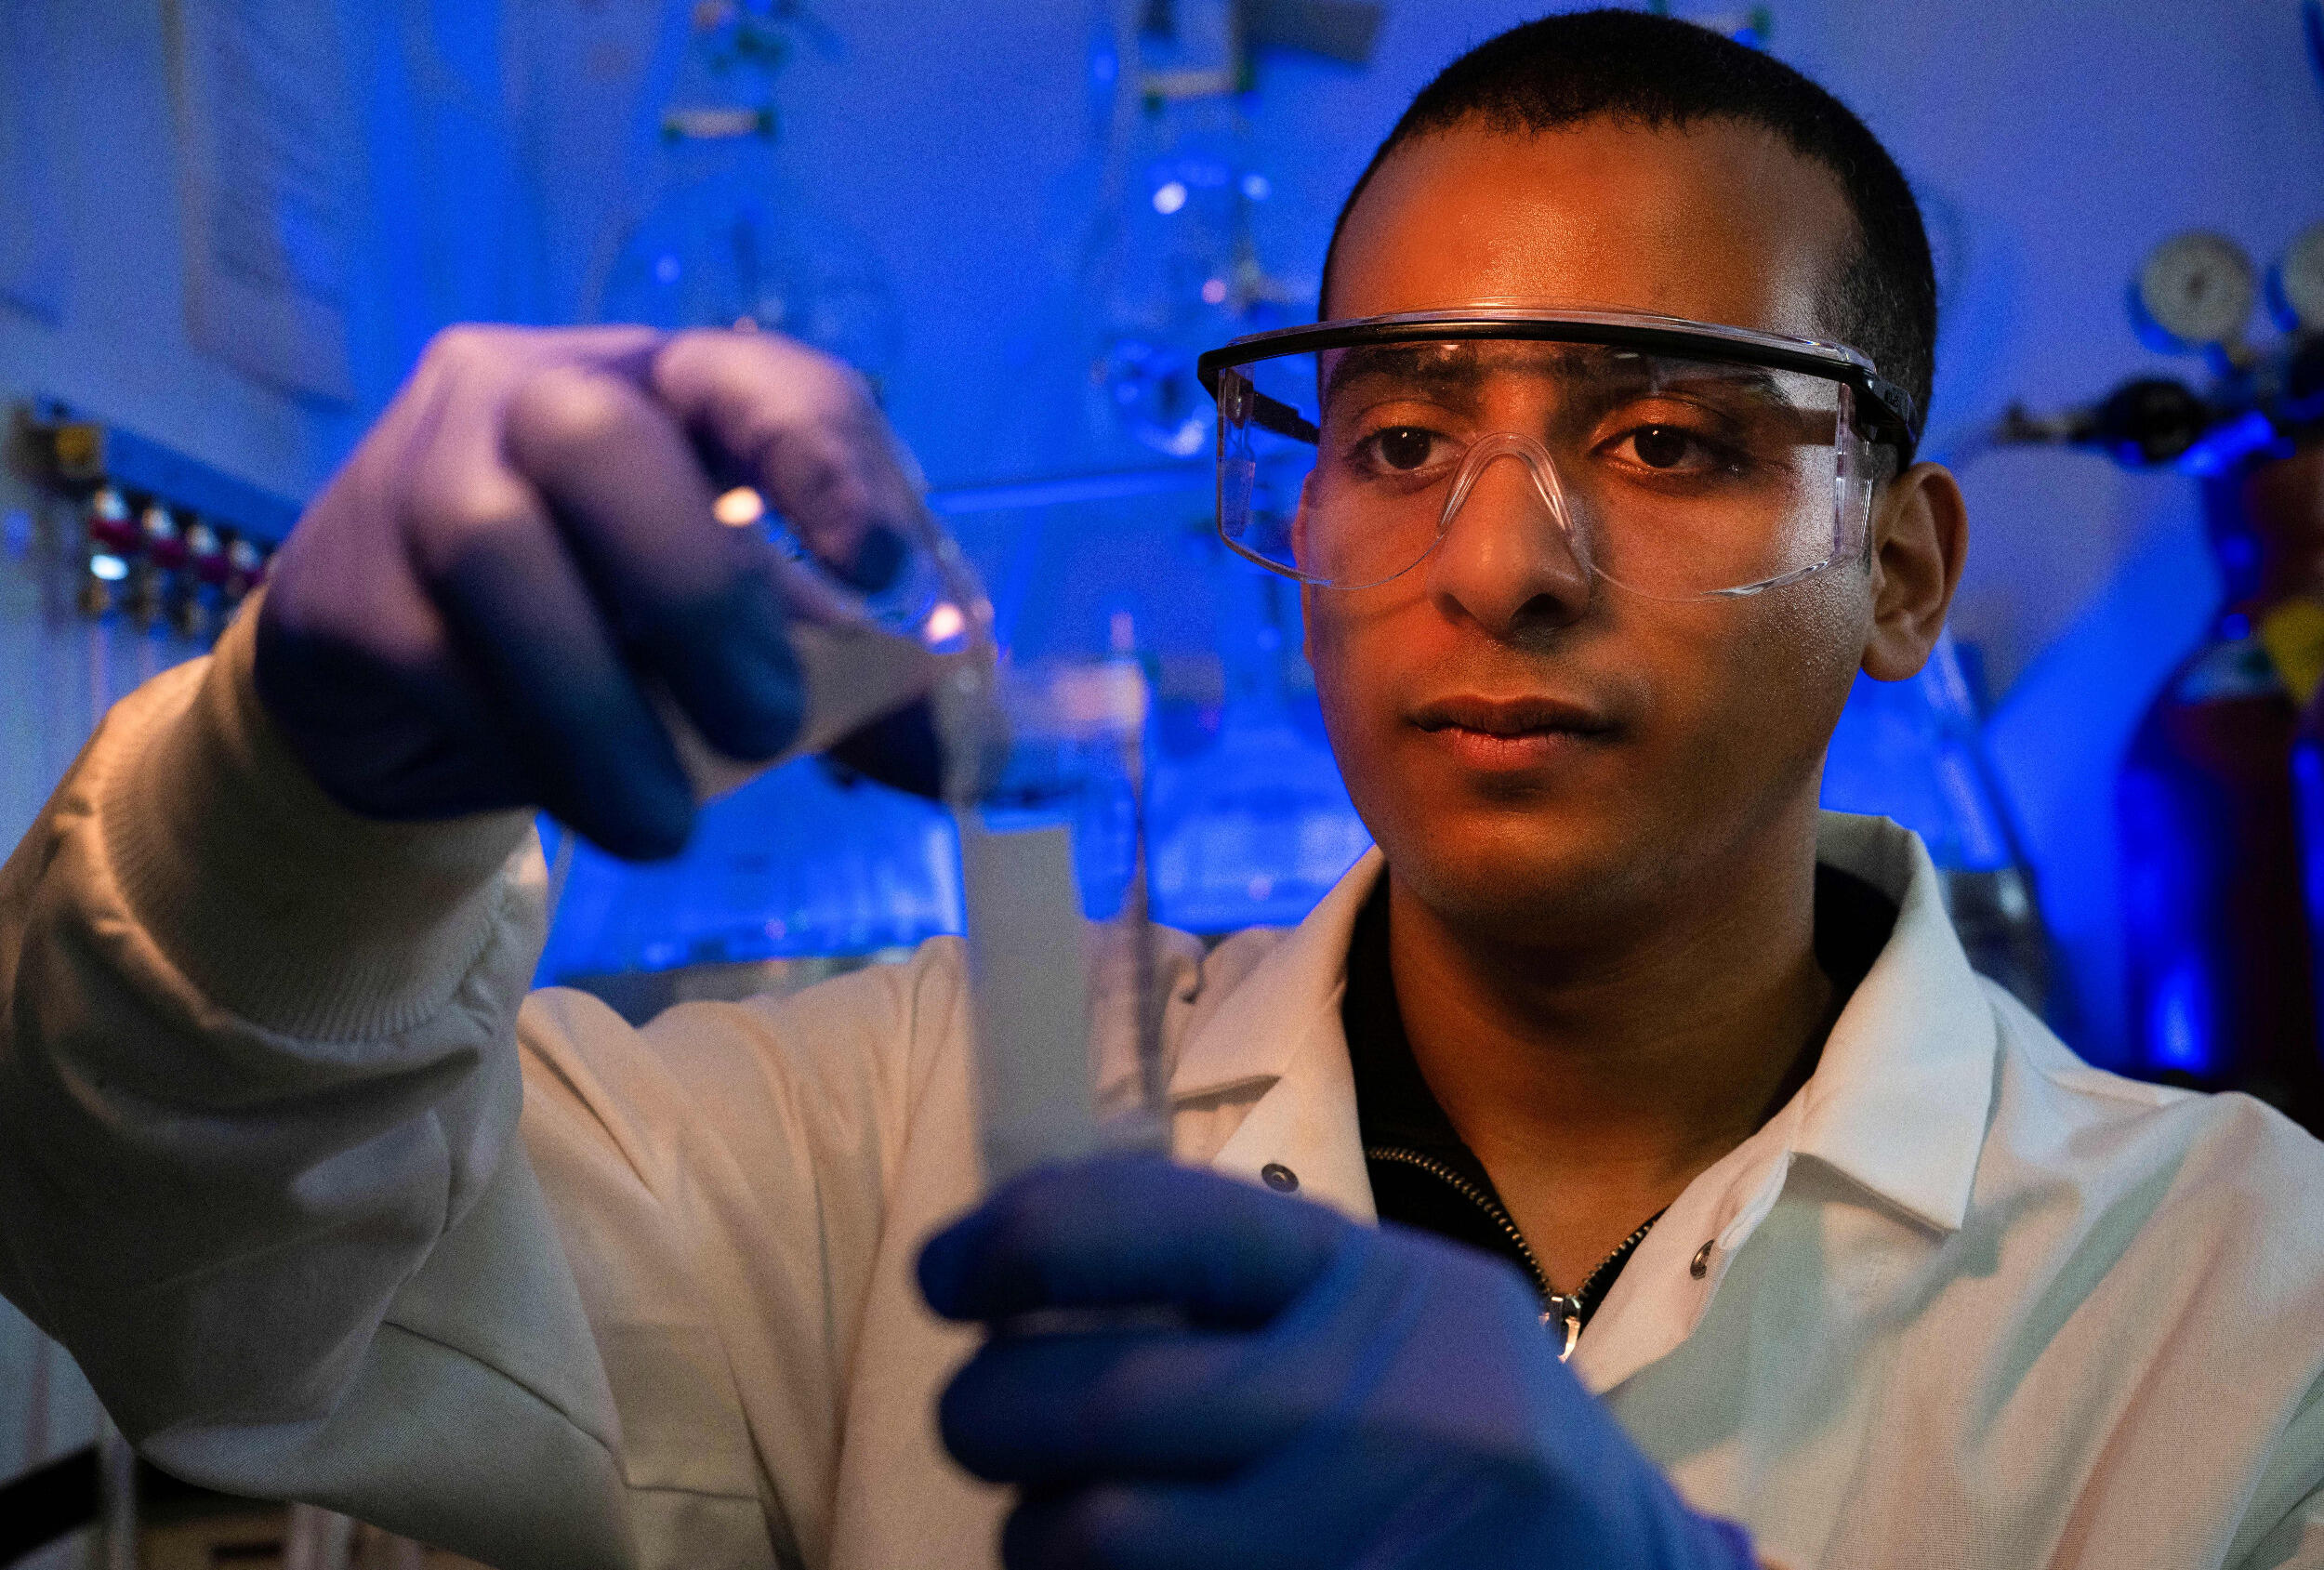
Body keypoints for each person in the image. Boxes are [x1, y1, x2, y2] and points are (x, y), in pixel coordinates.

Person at [4, 10, 2321, 1569]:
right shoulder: (885, 1138)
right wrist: (290, 804)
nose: (1497, 559)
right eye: (1393, 438)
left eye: (1669, 436)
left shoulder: (2238, 1293)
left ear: (1901, 568)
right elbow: (209, 1280)